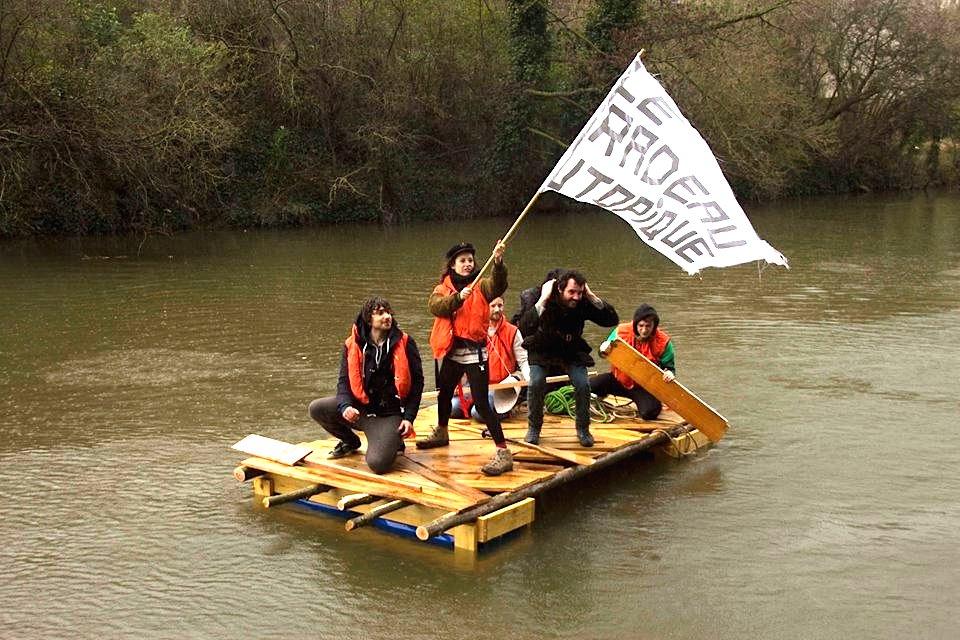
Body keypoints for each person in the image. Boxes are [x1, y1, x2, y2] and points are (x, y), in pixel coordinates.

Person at [417, 240, 514, 477]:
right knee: (445, 393)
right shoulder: (442, 288)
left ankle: (503, 452)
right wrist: (459, 297)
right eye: (463, 261)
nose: (468, 264)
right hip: (452, 351)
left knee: (481, 402)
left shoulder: (482, 285)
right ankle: (441, 431)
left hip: (474, 352)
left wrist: (498, 262)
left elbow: (498, 286)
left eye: (470, 260)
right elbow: (437, 307)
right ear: (452, 265)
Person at [308, 297, 424, 474]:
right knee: (317, 408)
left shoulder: (406, 343)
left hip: (389, 414)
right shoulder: (352, 344)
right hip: (360, 410)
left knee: (378, 464)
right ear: (369, 319)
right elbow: (344, 381)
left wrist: (409, 418)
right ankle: (350, 442)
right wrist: (345, 406)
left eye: (388, 312)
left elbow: (417, 384)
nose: (387, 317)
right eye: (380, 313)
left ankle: (393, 440)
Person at [519, 269, 619, 447]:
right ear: (559, 289)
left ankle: (583, 429)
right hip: (543, 346)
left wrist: (591, 296)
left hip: (570, 349)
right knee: (536, 382)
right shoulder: (540, 297)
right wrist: (542, 300)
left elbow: (611, 320)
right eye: (571, 292)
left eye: (579, 292)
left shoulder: (582, 302)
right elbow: (525, 327)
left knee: (582, 384)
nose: (575, 297)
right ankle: (534, 427)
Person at [450, 296, 530, 422]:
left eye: (500, 305)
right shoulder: (473, 330)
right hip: (474, 384)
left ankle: (503, 410)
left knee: (478, 413)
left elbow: (523, 360)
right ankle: (482, 406)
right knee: (452, 408)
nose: (497, 309)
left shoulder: (513, 331)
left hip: (499, 387)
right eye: (493, 306)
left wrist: (530, 380)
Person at [590, 304, 675, 420]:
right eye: (641, 326)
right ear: (635, 324)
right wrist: (603, 348)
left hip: (643, 386)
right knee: (588, 386)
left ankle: (651, 403)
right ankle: (598, 399)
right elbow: (603, 354)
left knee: (649, 412)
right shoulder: (621, 332)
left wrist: (670, 373)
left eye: (648, 326)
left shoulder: (663, 342)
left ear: (654, 326)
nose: (644, 330)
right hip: (618, 380)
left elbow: (669, 368)